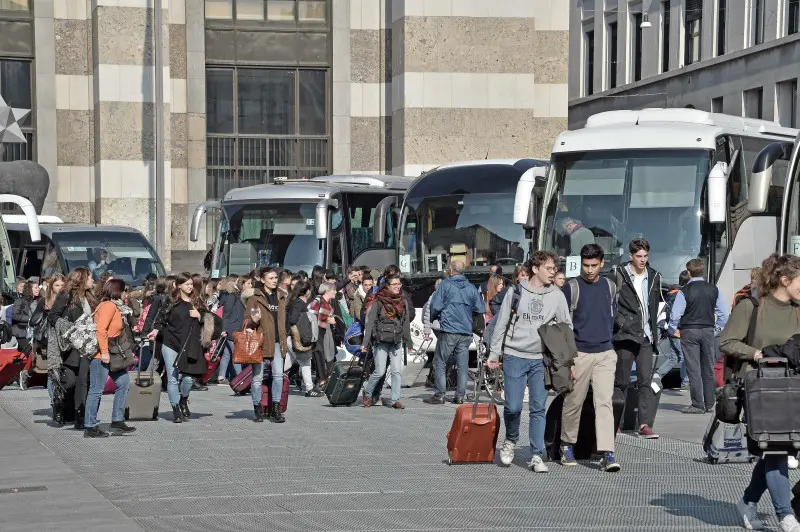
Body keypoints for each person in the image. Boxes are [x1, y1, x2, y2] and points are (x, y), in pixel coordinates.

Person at [721, 254, 800, 532]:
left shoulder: (799, 309)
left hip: (794, 390)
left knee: (776, 449)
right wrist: (755, 354)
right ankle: (785, 515)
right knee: (776, 448)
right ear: (785, 280)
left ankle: (748, 501)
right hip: (762, 391)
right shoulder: (752, 307)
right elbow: (727, 341)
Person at [487, 251, 571, 473]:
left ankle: (536, 454)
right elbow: (501, 324)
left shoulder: (557, 295)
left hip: (540, 360)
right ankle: (511, 439)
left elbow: (566, 327)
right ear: (535, 269)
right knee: (513, 406)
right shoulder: (515, 291)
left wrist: (567, 360)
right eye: (549, 269)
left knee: (537, 409)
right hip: (514, 355)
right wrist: (494, 354)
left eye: (555, 269)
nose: (553, 273)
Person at [559, 244, 620, 472]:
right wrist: (568, 359)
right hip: (580, 352)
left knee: (604, 403)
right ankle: (567, 445)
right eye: (586, 265)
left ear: (602, 263)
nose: (590, 270)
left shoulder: (610, 286)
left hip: (605, 352)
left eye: (594, 265)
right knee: (573, 400)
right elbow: (563, 325)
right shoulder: (571, 288)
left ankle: (607, 452)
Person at [613, 238, 663, 440]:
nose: (642, 260)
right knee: (621, 381)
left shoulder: (654, 276)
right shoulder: (620, 275)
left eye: (645, 256)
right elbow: (611, 304)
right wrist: (621, 323)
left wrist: (659, 327)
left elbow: (658, 303)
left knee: (645, 381)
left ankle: (644, 424)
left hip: (646, 337)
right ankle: (616, 421)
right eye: (638, 256)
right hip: (625, 335)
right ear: (631, 256)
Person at [147, 273, 211, 423]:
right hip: (171, 342)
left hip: (190, 343)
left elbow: (210, 320)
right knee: (173, 377)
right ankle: (176, 409)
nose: (190, 287)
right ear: (179, 285)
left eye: (191, 284)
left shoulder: (197, 301)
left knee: (188, 378)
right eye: (187, 284)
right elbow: (161, 318)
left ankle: (183, 399)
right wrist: (156, 330)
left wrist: (199, 316)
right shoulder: (171, 300)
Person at [668, 258, 729, 414]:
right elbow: (724, 315)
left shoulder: (684, 291)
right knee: (708, 367)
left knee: (693, 369)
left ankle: (697, 404)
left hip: (689, 331)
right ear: (703, 271)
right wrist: (716, 329)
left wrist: (672, 329)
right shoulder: (714, 289)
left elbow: (675, 315)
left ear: (689, 273)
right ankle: (710, 403)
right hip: (708, 330)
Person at [424, 260, 485, 405]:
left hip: (449, 330)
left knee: (440, 361)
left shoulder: (445, 285)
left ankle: (439, 395)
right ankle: (460, 396)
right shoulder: (471, 287)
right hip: (465, 331)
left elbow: (435, 306)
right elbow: (480, 308)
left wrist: (434, 317)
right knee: (463, 364)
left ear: (451, 270)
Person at [83, 278, 135, 438]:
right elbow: (101, 330)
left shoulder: (111, 306)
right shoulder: (108, 306)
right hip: (102, 355)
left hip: (111, 354)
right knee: (96, 390)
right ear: (117, 291)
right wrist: (104, 352)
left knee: (124, 382)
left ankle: (117, 420)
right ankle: (90, 426)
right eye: (124, 290)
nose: (126, 293)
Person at [48, 267, 96, 430]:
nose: (92, 280)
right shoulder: (66, 296)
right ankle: (60, 404)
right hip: (70, 344)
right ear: (82, 279)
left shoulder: (90, 297)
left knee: (83, 381)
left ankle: (80, 416)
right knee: (69, 382)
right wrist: (70, 328)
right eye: (90, 277)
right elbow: (52, 317)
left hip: (87, 346)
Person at [360, 274, 411, 409]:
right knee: (380, 371)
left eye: (399, 284)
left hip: (396, 340)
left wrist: (409, 341)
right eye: (394, 284)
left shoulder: (403, 301)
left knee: (396, 371)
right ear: (387, 286)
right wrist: (365, 343)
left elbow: (405, 322)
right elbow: (370, 323)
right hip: (380, 341)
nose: (397, 287)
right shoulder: (378, 301)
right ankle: (368, 392)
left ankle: (395, 399)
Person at [246, 266, 289, 423]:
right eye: (270, 278)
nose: (274, 280)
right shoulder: (255, 297)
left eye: (275, 278)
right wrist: (253, 320)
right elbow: (246, 321)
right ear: (262, 280)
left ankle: (275, 409)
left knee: (278, 376)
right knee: (257, 378)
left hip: (278, 342)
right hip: (260, 343)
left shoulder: (281, 296)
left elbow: (284, 320)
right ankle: (257, 408)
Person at [653, 270, 691, 388]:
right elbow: (675, 314)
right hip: (677, 330)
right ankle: (686, 382)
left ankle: (657, 375)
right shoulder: (679, 295)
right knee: (683, 356)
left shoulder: (672, 293)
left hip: (671, 330)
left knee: (675, 356)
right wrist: (677, 328)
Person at [286, 280, 319, 397]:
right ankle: (309, 389)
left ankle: (273, 381)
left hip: (291, 338)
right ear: (307, 291)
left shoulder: (296, 302)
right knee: (305, 363)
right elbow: (293, 320)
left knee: (287, 363)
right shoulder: (299, 304)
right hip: (296, 339)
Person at [216, 275, 248, 385]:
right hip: (232, 329)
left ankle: (221, 376)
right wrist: (224, 329)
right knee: (236, 354)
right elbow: (226, 314)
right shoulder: (232, 296)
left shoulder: (240, 296)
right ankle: (240, 379)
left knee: (227, 353)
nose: (250, 286)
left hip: (234, 328)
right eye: (248, 283)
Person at [308, 282, 338, 389]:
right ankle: (321, 380)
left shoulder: (325, 302)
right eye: (333, 290)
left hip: (323, 330)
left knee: (322, 354)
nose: (335, 292)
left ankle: (321, 379)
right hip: (317, 331)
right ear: (327, 291)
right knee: (319, 354)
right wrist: (327, 319)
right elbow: (311, 314)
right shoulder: (318, 301)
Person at [11, 279, 40, 352]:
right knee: (29, 353)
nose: (38, 289)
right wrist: (30, 318)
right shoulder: (20, 301)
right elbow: (15, 315)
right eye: (36, 287)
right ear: (30, 289)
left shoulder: (37, 301)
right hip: (21, 333)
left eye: (38, 287)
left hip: (33, 334)